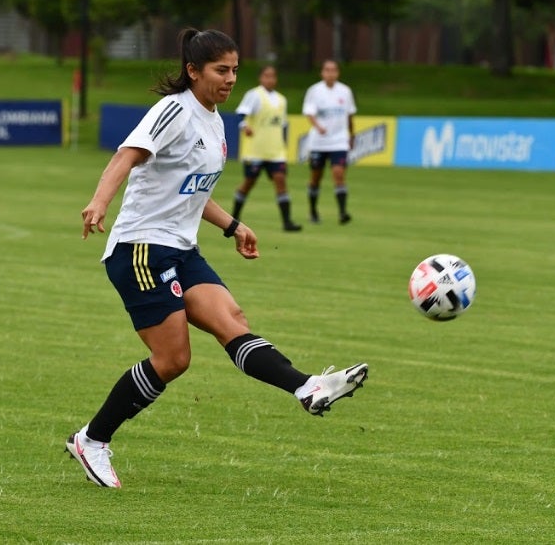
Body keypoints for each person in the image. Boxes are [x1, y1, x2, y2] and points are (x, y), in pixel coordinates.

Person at [67, 28, 368, 489]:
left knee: (233, 321)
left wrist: (233, 225)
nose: (230, 79)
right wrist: (99, 202)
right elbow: (125, 157)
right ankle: (92, 440)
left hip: (181, 248)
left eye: (234, 70)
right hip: (141, 248)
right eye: (220, 70)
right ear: (193, 71)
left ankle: (307, 386)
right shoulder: (174, 110)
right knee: (173, 359)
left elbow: (191, 191)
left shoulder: (213, 121)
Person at [232, 65, 301, 232]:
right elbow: (241, 114)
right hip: (255, 151)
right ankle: (234, 218)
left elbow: (282, 125)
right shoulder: (254, 95)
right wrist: (245, 126)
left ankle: (287, 222)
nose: (270, 79)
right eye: (266, 76)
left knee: (281, 181)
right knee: (248, 183)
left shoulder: (282, 100)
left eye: (273, 76)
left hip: (276, 151)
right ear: (261, 78)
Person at [301, 59, 357, 224]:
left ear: (337, 73)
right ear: (322, 72)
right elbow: (309, 113)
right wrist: (318, 126)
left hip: (339, 141)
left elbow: (350, 115)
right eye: (327, 70)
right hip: (319, 142)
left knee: (339, 174)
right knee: (315, 178)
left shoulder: (345, 91)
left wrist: (352, 135)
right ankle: (313, 211)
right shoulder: (314, 91)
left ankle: (342, 212)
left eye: (333, 70)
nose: (330, 73)